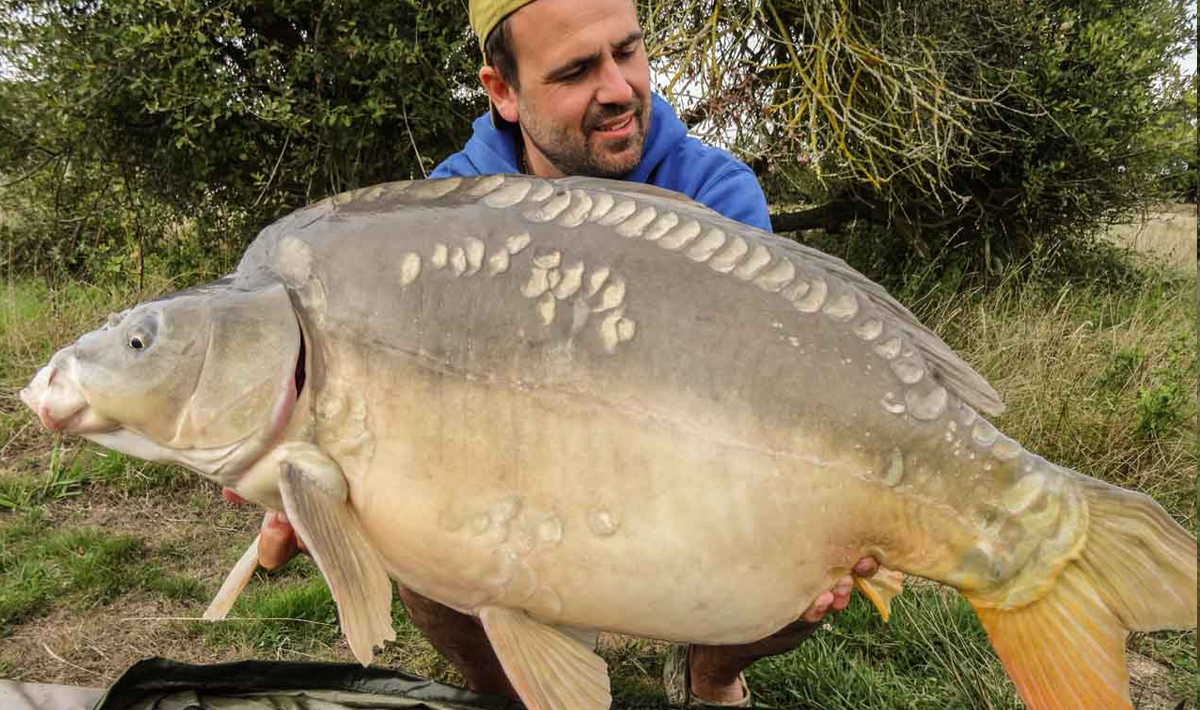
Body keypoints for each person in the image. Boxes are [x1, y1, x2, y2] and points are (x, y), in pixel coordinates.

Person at [230, 0, 881, 705]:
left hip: (678, 474)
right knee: (420, 548)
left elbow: (760, 395)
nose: (618, 89)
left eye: (628, 52)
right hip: (512, 487)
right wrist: (325, 479)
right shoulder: (440, 215)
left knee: (822, 538)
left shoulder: (717, 195)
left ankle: (710, 676)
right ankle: (508, 688)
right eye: (576, 71)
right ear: (503, 91)